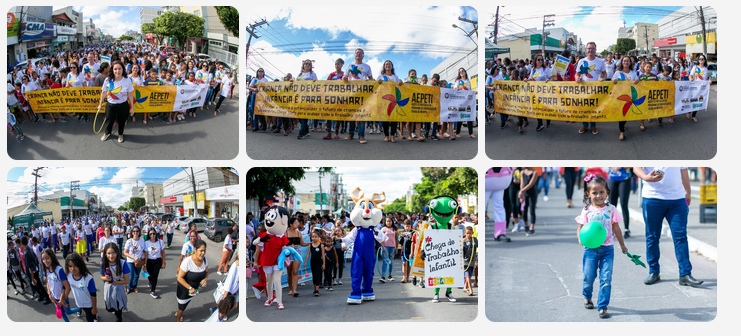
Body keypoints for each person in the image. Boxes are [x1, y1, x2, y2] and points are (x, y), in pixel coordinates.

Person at [633, 167, 703, 287]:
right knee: (652, 237)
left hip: (677, 199)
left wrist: (688, 191)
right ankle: (654, 271)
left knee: (680, 237)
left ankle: (685, 274)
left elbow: (683, 170)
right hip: (652, 198)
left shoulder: (677, 149)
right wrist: (646, 177)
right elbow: (636, 167)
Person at [576, 174, 627, 319]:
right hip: (590, 250)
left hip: (607, 250)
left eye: (601, 192)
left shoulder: (611, 209)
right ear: (588, 194)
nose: (598, 195)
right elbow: (580, 227)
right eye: (594, 192)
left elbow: (616, 228)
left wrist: (622, 245)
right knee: (588, 277)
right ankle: (587, 295)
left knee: (606, 278)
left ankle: (603, 306)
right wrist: (580, 237)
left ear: (607, 192)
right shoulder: (586, 211)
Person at [98, 61, 135, 143]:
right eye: (115, 69)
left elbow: (130, 94)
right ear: (112, 70)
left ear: (122, 69)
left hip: (123, 105)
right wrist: (100, 104)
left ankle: (120, 134)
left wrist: (132, 108)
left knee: (122, 121)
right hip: (110, 105)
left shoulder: (127, 80)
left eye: (119, 69)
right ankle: (107, 133)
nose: (117, 71)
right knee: (109, 120)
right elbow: (103, 92)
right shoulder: (108, 79)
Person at [575, 42, 607, 134]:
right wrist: (577, 78)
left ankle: (593, 126)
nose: (590, 50)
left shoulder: (600, 61)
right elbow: (577, 74)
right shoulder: (581, 61)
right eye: (589, 48)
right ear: (586, 50)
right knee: (584, 108)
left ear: (595, 50)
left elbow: (604, 73)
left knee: (593, 108)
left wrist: (604, 78)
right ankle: (585, 125)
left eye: (592, 48)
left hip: (595, 90)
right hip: (583, 89)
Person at [343, 48, 373, 144]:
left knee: (361, 114)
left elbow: (371, 80)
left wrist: (373, 82)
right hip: (351, 93)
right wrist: (344, 78)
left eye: (360, 53)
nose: (358, 54)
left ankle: (361, 136)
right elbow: (345, 77)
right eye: (357, 53)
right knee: (352, 113)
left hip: (363, 94)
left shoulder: (367, 67)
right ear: (354, 55)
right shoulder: (349, 66)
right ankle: (351, 133)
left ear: (363, 55)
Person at [176, 240, 209, 322]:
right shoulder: (187, 261)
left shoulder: (204, 260)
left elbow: (207, 272)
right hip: (184, 290)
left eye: (204, 250)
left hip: (194, 290)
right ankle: (178, 320)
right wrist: (189, 287)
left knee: (185, 304)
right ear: (195, 249)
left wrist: (205, 279)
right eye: (201, 250)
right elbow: (179, 278)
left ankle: (178, 312)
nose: (203, 253)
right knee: (182, 308)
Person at [611, 56, 641, 140]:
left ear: (630, 63)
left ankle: (623, 125)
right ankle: (622, 132)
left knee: (627, 113)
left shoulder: (633, 73)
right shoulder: (617, 73)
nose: (626, 62)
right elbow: (613, 80)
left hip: (630, 97)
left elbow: (637, 82)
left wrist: (638, 80)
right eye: (624, 61)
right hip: (620, 97)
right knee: (622, 114)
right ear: (622, 62)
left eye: (628, 61)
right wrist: (613, 80)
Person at [41, 248, 74, 321]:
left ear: (51, 257)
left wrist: (62, 300)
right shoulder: (46, 270)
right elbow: (48, 283)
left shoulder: (59, 270)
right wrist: (49, 295)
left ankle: (79, 309)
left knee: (68, 312)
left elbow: (67, 287)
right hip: (54, 299)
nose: (45, 261)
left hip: (63, 298)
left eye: (47, 258)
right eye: (43, 259)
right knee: (62, 315)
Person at [64, 253, 98, 322]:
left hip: (88, 305)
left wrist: (94, 308)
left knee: (89, 319)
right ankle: (81, 310)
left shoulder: (88, 278)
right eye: (70, 266)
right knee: (80, 307)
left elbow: (93, 295)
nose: (73, 268)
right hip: (78, 302)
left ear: (80, 265)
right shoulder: (69, 276)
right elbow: (67, 288)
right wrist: (62, 298)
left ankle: (94, 315)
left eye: (75, 265)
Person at [100, 243, 129, 322]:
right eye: (109, 253)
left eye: (113, 253)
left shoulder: (123, 263)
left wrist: (113, 282)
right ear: (105, 254)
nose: (111, 255)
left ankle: (119, 316)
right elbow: (101, 276)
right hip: (108, 289)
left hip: (119, 288)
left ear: (117, 252)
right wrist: (105, 278)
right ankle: (115, 310)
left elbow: (126, 281)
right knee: (109, 308)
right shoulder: (103, 264)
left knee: (118, 309)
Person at [608, 168, 633, 238]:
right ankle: (612, 229)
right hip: (613, 178)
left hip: (625, 178)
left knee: (624, 204)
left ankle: (626, 229)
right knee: (612, 206)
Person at [688, 55, 712, 122]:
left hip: (701, 89)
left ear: (704, 60)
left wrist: (709, 81)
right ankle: (688, 112)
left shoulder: (705, 69)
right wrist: (690, 79)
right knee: (692, 100)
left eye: (702, 59)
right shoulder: (695, 67)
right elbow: (690, 75)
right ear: (698, 60)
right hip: (694, 87)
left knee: (697, 102)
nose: (701, 60)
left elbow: (706, 79)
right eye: (700, 59)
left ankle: (693, 116)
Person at [144, 227, 165, 299]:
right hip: (149, 261)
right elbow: (146, 254)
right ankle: (150, 281)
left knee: (155, 276)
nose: (152, 235)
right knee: (149, 275)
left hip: (157, 261)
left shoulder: (160, 242)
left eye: (154, 233)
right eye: (150, 234)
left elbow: (163, 253)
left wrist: (163, 263)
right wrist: (145, 264)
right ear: (148, 235)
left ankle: (153, 291)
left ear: (156, 234)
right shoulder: (146, 243)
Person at [518, 167, 540, 236]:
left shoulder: (535, 172)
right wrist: (522, 194)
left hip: (532, 193)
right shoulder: (522, 172)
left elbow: (530, 184)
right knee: (524, 210)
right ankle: (526, 225)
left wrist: (521, 191)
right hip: (525, 194)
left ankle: (532, 228)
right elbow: (522, 183)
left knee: (532, 210)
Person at [123, 226, 144, 294]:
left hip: (139, 261)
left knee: (136, 275)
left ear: (139, 232)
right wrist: (133, 257)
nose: (135, 232)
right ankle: (129, 287)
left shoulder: (142, 240)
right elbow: (125, 252)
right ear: (132, 232)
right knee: (131, 275)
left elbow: (144, 250)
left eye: (137, 231)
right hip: (130, 261)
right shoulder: (129, 241)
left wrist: (143, 255)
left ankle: (134, 286)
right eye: (134, 231)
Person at [304, 231, 326, 296]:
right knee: (314, 275)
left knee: (317, 275)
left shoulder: (321, 245)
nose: (314, 238)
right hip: (313, 262)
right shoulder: (310, 246)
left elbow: (323, 255)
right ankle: (315, 288)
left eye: (315, 237)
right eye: (313, 237)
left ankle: (317, 290)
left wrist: (324, 264)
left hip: (319, 262)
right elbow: (308, 254)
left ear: (318, 237)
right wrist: (305, 262)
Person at [379, 217, 397, 282]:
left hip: (392, 247)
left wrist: (397, 247)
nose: (389, 222)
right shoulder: (383, 229)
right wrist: (382, 247)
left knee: (391, 261)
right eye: (387, 221)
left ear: (392, 222)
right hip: (385, 246)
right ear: (385, 222)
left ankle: (390, 275)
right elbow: (380, 238)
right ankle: (383, 276)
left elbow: (396, 239)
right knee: (385, 261)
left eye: (390, 221)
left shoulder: (394, 229)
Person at [462, 226, 478, 296]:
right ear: (465, 233)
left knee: (470, 275)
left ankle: (465, 287)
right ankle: (471, 290)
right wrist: (462, 243)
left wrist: (474, 242)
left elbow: (477, 245)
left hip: (472, 260)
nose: (468, 235)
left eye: (470, 233)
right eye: (467, 233)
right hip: (465, 260)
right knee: (468, 275)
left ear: (472, 233)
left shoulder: (474, 239)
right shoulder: (463, 240)